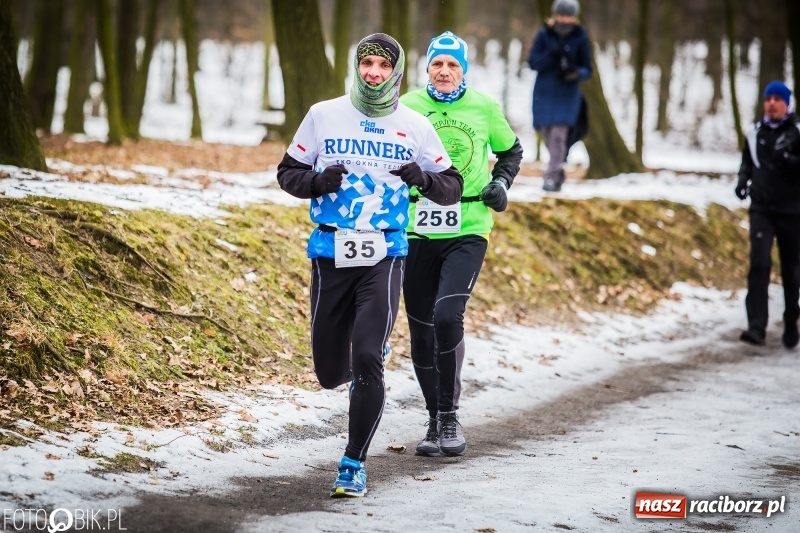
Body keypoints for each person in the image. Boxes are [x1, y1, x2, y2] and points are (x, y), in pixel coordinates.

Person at [276, 33, 464, 497]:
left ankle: (353, 463)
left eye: (383, 66)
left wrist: (424, 179)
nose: (374, 73)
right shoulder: (324, 114)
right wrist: (316, 182)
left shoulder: (415, 125)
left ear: (396, 72)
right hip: (330, 251)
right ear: (356, 67)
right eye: (367, 64)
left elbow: (452, 186)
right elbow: (286, 173)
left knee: (366, 359)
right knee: (328, 371)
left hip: (385, 253)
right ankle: (364, 363)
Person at [400, 31, 523, 457]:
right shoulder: (407, 106)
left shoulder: (484, 106)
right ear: (427, 68)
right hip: (415, 228)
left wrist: (501, 184)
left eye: (453, 65)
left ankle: (450, 415)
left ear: (463, 71)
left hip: (468, 226)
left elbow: (511, 152)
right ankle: (433, 419)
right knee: (421, 329)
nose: (445, 71)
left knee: (447, 315)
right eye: (437, 63)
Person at [735, 80, 800, 349]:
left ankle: (791, 319)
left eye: (777, 99)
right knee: (759, 262)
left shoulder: (797, 132)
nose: (771, 103)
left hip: (792, 210)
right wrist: (742, 181)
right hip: (761, 208)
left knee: (791, 269)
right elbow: (748, 162)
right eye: (768, 99)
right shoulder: (754, 132)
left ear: (787, 103)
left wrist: (790, 159)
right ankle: (756, 326)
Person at [527, 0, 591, 192]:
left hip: (567, 95)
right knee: (547, 133)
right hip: (544, 92)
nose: (564, 19)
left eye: (568, 16)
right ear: (554, 15)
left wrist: (575, 73)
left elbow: (587, 68)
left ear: (574, 17)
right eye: (561, 15)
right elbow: (532, 62)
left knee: (558, 135)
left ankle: (551, 177)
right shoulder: (544, 34)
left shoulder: (580, 36)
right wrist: (550, 55)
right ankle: (558, 170)